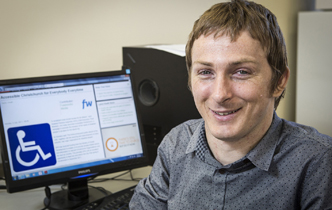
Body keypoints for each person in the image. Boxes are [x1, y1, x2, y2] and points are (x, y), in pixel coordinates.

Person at [129, 0, 332, 209]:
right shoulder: (175, 144)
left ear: (279, 81)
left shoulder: (318, 163)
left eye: (241, 72)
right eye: (206, 72)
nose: (219, 95)